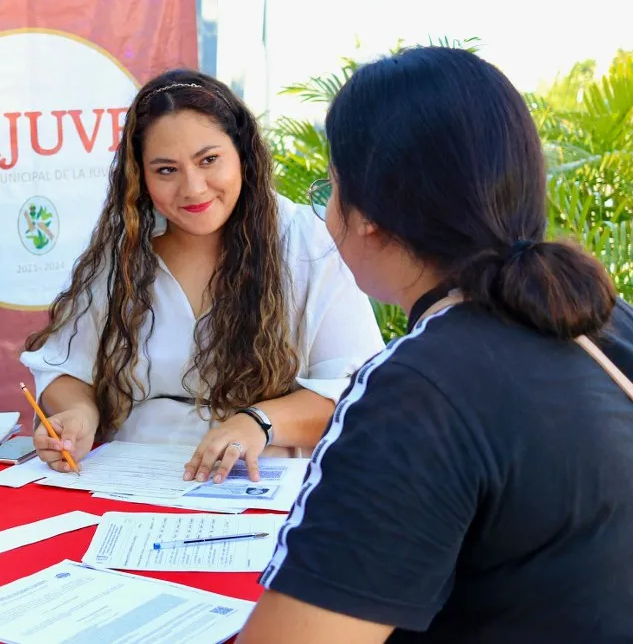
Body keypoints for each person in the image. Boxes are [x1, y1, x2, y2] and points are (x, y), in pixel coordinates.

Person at [240, 47, 633, 643]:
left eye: (331, 190)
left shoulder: (418, 389)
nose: (328, 215)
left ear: (367, 214)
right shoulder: (614, 323)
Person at [20, 69, 383, 484]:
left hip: (258, 478)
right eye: (166, 170)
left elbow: (358, 393)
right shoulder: (123, 251)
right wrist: (80, 414)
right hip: (130, 477)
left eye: (209, 160)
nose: (192, 189)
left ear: (242, 154)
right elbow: (65, 366)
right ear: (140, 176)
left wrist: (258, 422)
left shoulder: (307, 244)